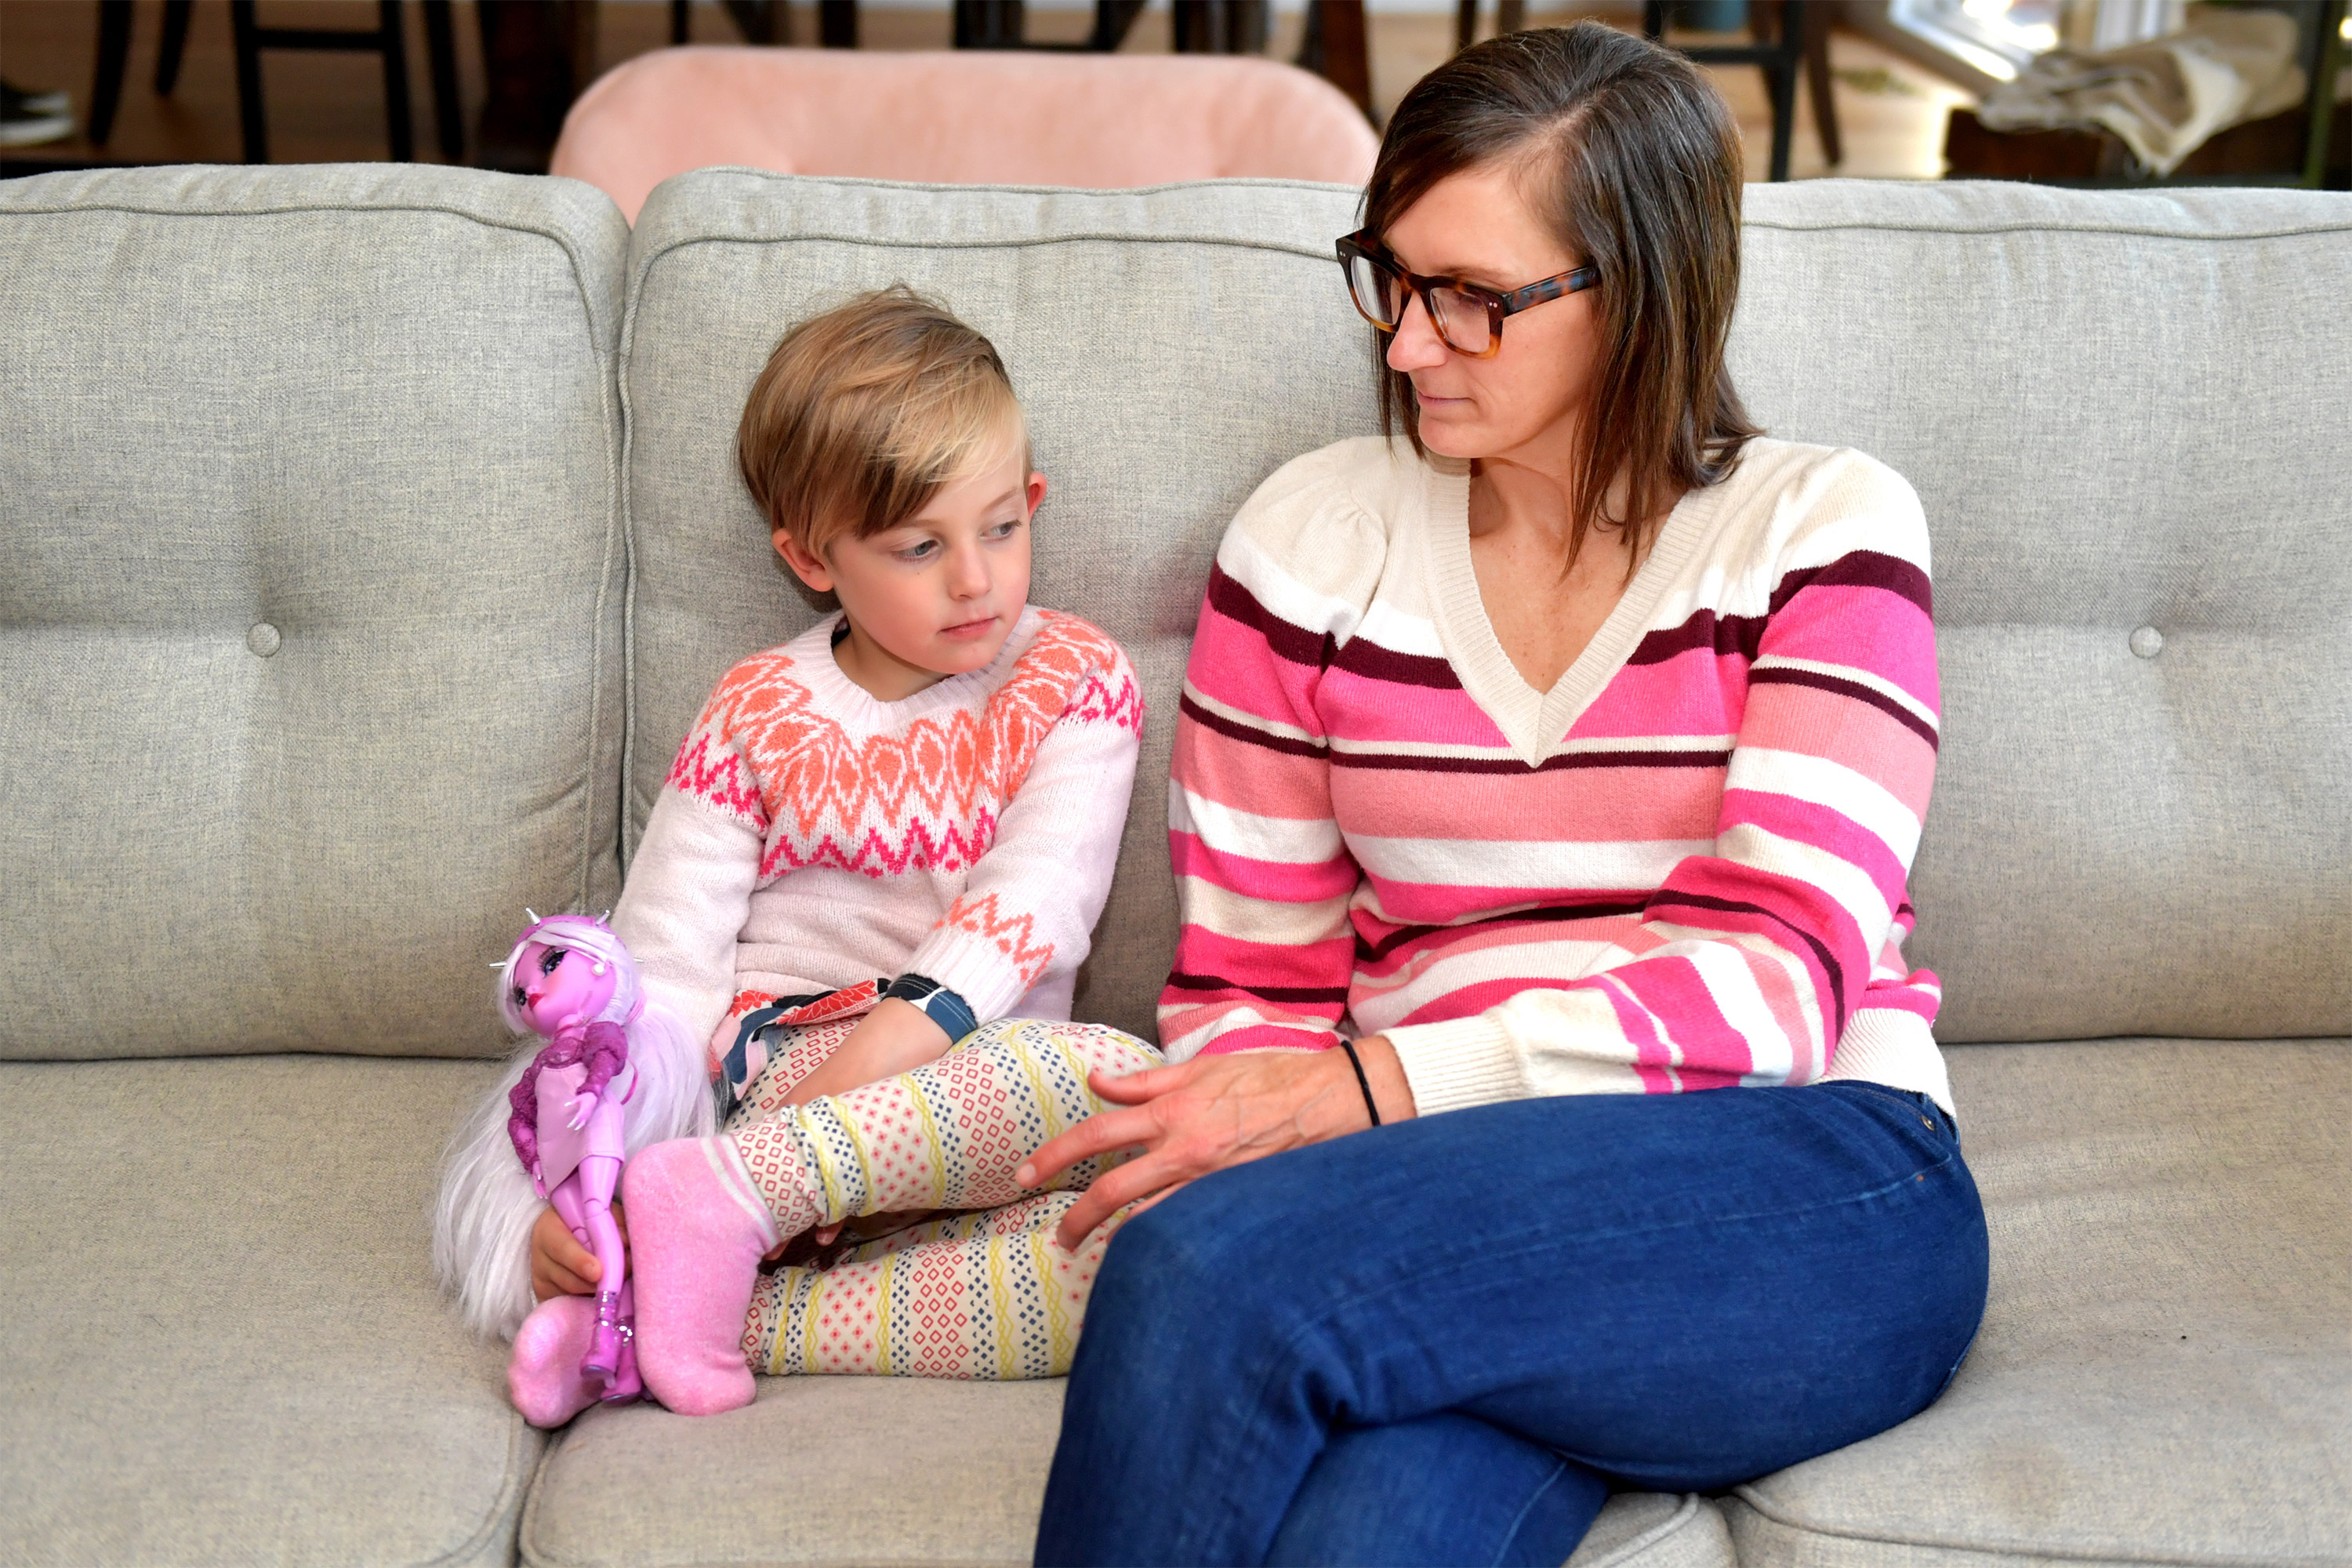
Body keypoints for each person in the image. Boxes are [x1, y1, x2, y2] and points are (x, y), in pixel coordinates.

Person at [1020, 24, 1988, 1566]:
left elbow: (1780, 981)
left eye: (1472, 297)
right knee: (1360, 1534)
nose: (1407, 344)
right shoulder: (1308, 547)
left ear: (1642, 289)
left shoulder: (1825, 530)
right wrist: (1342, 1142)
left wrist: (1375, 1089)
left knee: (1203, 1270)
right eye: (1392, 278)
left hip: (1808, 1184)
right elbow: (1249, 992)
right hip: (1446, 1223)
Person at [436, 287, 1154, 1424]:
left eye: (1001, 527)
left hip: (970, 1095)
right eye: (920, 547)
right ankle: (707, 1211)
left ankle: (678, 1298)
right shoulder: (757, 712)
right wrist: (586, 1182)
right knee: (1099, 1068)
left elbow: (1029, 913)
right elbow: (661, 971)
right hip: (782, 1066)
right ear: (811, 558)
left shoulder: (1073, 680)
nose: (975, 578)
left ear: (1033, 501)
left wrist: (822, 1126)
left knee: (1140, 1227)